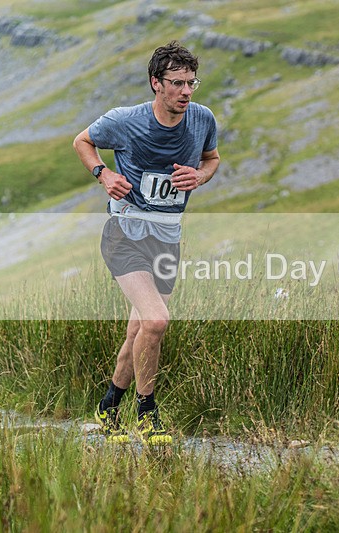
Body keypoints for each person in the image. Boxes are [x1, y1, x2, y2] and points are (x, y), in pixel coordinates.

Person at [73, 41, 220, 445]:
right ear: (157, 83)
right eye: (177, 83)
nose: (187, 91)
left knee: (139, 329)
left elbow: (212, 159)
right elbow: (82, 142)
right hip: (126, 234)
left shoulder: (203, 118)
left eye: (192, 83)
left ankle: (108, 408)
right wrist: (104, 174)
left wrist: (199, 177)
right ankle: (147, 413)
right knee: (156, 321)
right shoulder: (125, 121)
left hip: (167, 238)